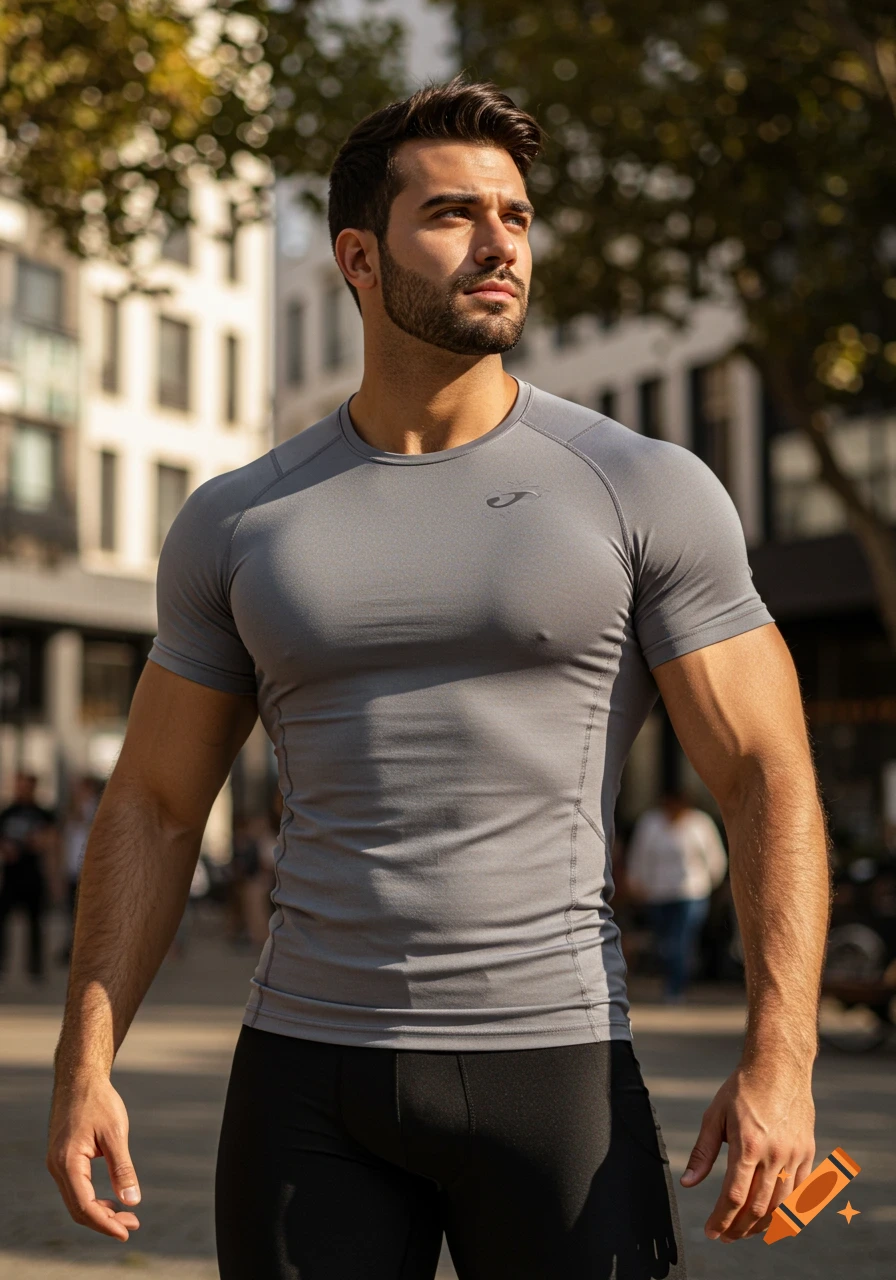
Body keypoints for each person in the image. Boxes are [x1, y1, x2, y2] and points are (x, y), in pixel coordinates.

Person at [48, 77, 832, 1278]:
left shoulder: (639, 484)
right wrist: (85, 1056)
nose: (499, 244)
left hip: (554, 1068)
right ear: (359, 257)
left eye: (515, 216)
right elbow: (154, 802)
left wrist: (780, 1055)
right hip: (302, 1073)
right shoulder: (237, 519)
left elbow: (763, 770)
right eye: (455, 215)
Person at [626, 790, 728, 1003]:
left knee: (682, 939)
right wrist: (637, 882)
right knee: (665, 942)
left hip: (692, 892)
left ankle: (676, 986)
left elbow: (714, 856)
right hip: (658, 892)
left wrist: (711, 882)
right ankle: (671, 980)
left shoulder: (700, 823)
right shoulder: (650, 823)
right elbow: (640, 855)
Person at [0, 770, 56, 982]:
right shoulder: (7, 812)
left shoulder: (42, 813)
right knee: (3, 922)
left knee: (35, 924)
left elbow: (52, 841)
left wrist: (40, 842)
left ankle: (35, 968)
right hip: (12, 876)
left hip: (33, 876)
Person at [57, 776, 102, 965]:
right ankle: (73, 947)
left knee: (88, 912)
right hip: (72, 868)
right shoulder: (69, 810)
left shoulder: (97, 808)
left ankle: (87, 949)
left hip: (89, 868)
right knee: (72, 911)